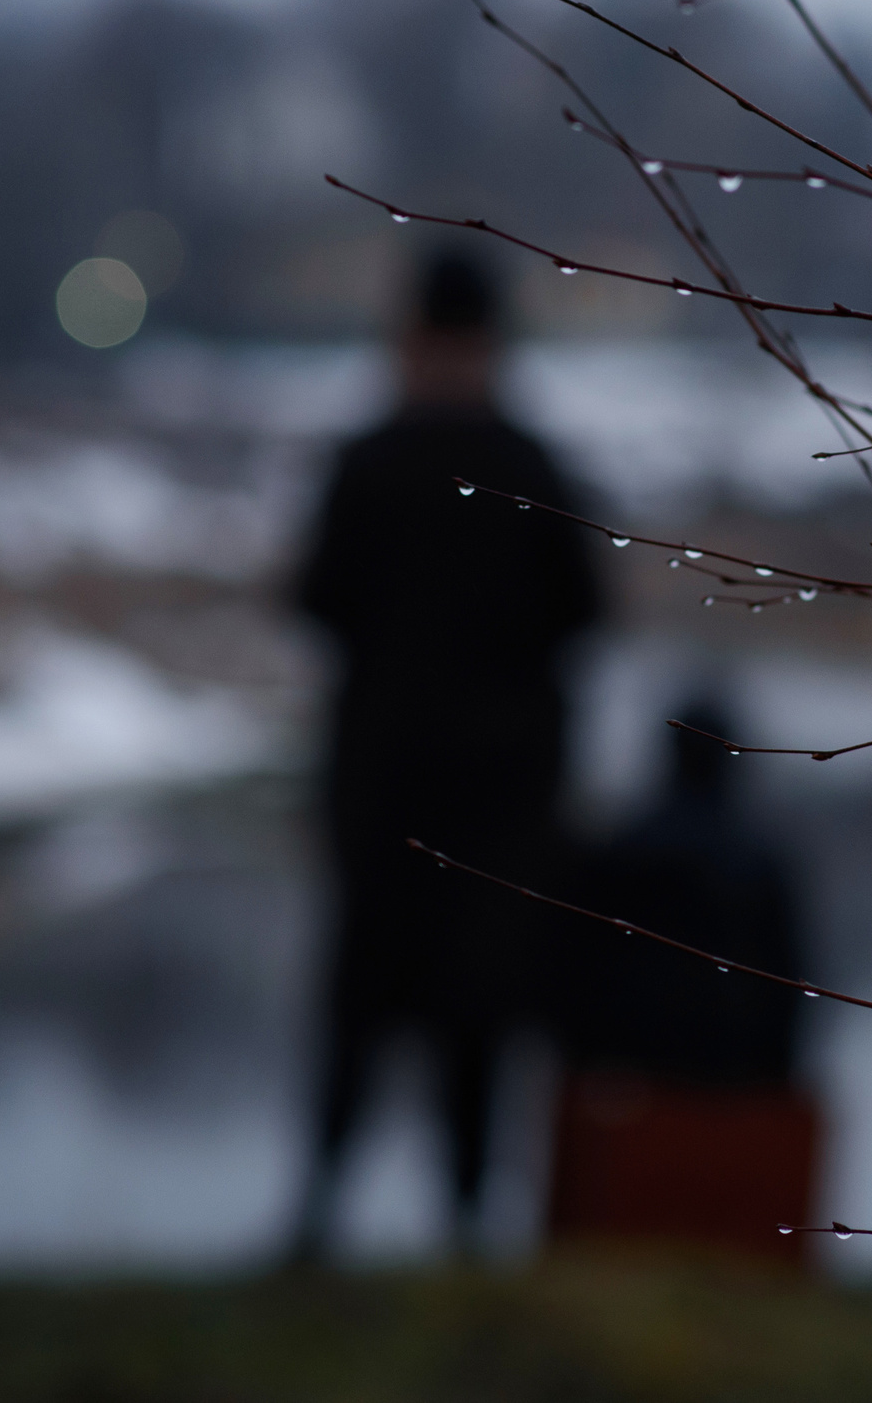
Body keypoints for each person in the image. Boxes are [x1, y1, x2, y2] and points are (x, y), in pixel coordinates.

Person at [287, 242, 601, 1262]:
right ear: (496, 346)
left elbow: (314, 600)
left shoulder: (365, 459)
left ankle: (317, 1220)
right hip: (506, 801)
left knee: (360, 1009)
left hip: (380, 789)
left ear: (409, 339)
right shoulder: (534, 466)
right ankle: (466, 1231)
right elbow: (587, 615)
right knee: (480, 1016)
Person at [545, 698, 818, 1267]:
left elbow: (571, 979)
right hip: (729, 1081)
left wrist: (580, 1062)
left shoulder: (618, 852)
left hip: (622, 1087)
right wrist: (775, 1080)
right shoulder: (758, 864)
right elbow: (787, 994)